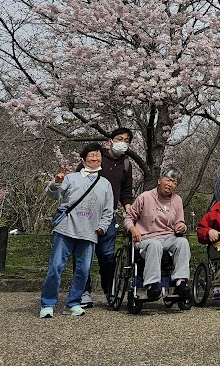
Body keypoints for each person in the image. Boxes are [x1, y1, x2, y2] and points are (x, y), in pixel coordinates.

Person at [40, 143, 114, 318]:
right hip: (66, 229)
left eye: (98, 155)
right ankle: (47, 304)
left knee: (83, 270)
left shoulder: (105, 184)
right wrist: (56, 182)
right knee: (56, 266)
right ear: (83, 159)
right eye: (91, 155)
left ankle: (73, 303)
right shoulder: (71, 178)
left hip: (89, 232)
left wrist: (103, 226)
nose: (95, 158)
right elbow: (53, 195)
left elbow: (108, 210)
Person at [79, 127, 135, 308]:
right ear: (110, 141)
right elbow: (78, 179)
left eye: (127, 141)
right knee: (83, 254)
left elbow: (126, 191)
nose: (123, 143)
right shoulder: (96, 156)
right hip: (86, 214)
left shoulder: (126, 164)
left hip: (108, 215)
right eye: (119, 139)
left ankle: (109, 289)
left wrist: (128, 207)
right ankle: (84, 291)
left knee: (107, 255)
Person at [124, 167, 191, 301]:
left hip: (168, 237)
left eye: (175, 183)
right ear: (160, 180)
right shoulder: (145, 197)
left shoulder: (177, 200)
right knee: (155, 244)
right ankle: (152, 284)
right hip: (146, 238)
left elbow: (179, 221)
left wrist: (181, 227)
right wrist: (133, 229)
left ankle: (180, 281)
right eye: (169, 180)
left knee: (183, 242)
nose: (171, 184)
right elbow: (128, 218)